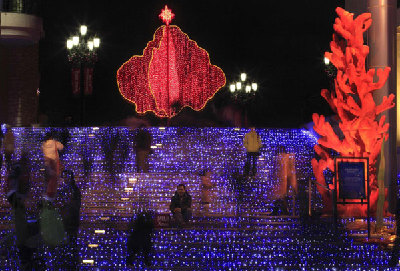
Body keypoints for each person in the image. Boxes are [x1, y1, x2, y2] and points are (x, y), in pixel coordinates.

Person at [270, 146, 297, 216]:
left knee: (280, 196)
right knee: (280, 196)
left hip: (283, 180)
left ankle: (280, 211)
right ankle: (282, 211)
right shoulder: (284, 158)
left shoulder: (284, 158)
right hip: (282, 179)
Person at [41, 132, 64, 201]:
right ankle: (52, 194)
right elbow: (61, 147)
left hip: (47, 163)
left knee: (47, 179)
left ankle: (46, 193)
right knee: (54, 178)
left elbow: (42, 150)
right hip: (53, 163)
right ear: (51, 137)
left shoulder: (44, 144)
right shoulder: (54, 142)